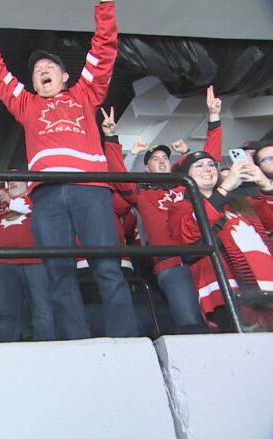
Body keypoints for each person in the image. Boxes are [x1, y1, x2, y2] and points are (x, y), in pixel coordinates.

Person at [0, 0, 138, 339]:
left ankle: (125, 341)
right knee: (59, 272)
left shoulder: (86, 93)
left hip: (90, 189)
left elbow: (104, 47)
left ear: (65, 76)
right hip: (46, 195)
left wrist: (104, 5)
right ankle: (77, 342)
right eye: (36, 71)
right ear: (33, 83)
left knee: (108, 267)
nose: (42, 71)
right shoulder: (26, 104)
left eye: (49, 67)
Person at [100, 88, 223, 334]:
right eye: (155, 158)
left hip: (206, 257)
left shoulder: (186, 184)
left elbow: (209, 162)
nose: (162, 160)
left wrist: (213, 118)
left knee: (222, 317)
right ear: (146, 168)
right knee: (191, 325)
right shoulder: (142, 192)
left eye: (165, 157)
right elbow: (119, 178)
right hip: (171, 264)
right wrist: (111, 138)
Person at [168, 151, 273, 330]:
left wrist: (266, 185)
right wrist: (224, 188)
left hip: (266, 283)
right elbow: (189, 232)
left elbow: (269, 219)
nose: (207, 169)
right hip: (223, 287)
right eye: (199, 166)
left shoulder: (241, 202)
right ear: (187, 176)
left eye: (211, 164)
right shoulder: (180, 207)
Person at [0, 178, 56, 341]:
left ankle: (48, 350)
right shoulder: (2, 202)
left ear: (27, 183)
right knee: (7, 312)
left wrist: (10, 202)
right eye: (9, 181)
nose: (11, 183)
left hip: (35, 262)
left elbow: (38, 213)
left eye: (16, 180)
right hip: (5, 264)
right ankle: (9, 353)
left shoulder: (36, 197)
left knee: (41, 308)